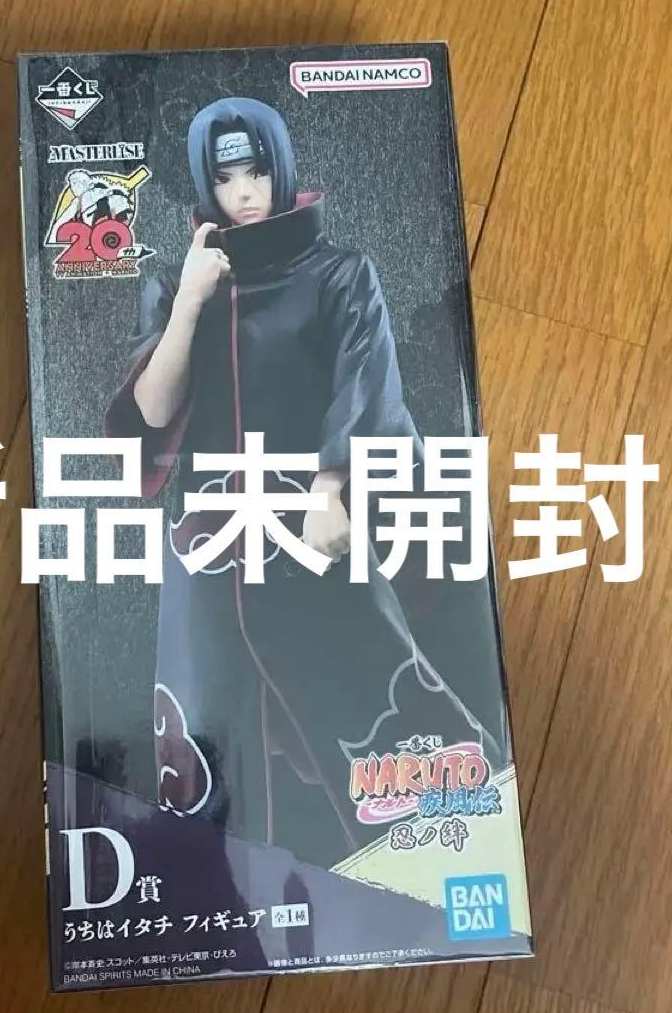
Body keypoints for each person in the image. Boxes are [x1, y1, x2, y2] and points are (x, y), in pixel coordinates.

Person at [105, 96, 494, 868]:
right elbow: (150, 414)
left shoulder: (338, 274)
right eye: (224, 178)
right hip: (209, 549)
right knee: (210, 734)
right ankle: (231, 891)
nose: (243, 192)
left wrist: (332, 484)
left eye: (255, 171)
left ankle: (434, 864)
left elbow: (366, 383)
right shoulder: (178, 282)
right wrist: (190, 302)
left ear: (280, 168)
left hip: (311, 532)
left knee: (366, 708)